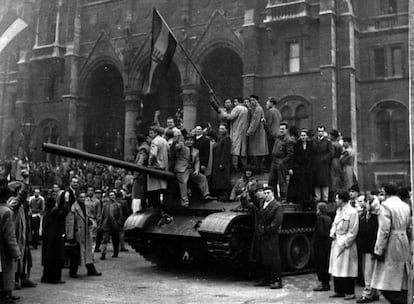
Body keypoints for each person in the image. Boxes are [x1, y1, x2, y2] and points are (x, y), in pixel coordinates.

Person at [371, 183, 411, 304]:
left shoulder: (386, 206)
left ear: (386, 193)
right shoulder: (405, 206)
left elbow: (384, 230)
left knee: (385, 280)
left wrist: (378, 249)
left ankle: (400, 301)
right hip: (403, 240)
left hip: (391, 242)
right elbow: (409, 227)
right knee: (402, 277)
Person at [250, 185, 283, 289]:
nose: (267, 195)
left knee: (273, 258)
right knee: (263, 257)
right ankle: (265, 279)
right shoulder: (262, 203)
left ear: (273, 193)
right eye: (265, 193)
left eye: (269, 193)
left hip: (271, 235)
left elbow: (277, 221)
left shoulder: (277, 206)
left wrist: (266, 229)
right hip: (262, 234)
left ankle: (276, 280)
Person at [329, 190, 359, 300]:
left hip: (346, 244)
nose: (336, 200)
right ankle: (339, 290)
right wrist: (332, 234)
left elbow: (353, 230)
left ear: (342, 199)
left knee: (347, 269)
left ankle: (349, 292)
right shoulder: (339, 211)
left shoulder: (352, 212)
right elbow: (334, 224)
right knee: (337, 268)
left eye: (337, 198)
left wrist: (345, 242)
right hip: (337, 240)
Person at [65, 192, 102, 278]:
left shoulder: (83, 207)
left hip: (85, 233)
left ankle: (90, 269)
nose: (83, 199)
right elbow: (69, 222)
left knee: (86, 253)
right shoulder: (73, 208)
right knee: (76, 253)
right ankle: (73, 272)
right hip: (77, 234)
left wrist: (88, 222)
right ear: (77, 198)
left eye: (84, 197)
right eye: (81, 197)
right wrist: (70, 236)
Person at [0, 162, 21, 304]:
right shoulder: (6, 212)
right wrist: (16, 253)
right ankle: (5, 295)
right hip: (4, 249)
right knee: (6, 271)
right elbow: (10, 236)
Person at [356, 192, 380, 303]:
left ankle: (368, 293)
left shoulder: (372, 217)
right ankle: (374, 292)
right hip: (371, 247)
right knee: (372, 270)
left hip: (370, 247)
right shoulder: (370, 216)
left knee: (369, 271)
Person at [41, 190, 68, 284]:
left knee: (48, 259)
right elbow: (64, 210)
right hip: (56, 238)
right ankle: (55, 278)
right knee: (56, 259)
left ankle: (46, 277)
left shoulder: (47, 212)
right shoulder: (55, 212)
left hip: (48, 238)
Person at [219, 97, 249, 171]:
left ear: (238, 102)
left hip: (236, 131)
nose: (233, 103)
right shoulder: (246, 109)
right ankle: (244, 166)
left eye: (235, 101)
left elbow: (230, 117)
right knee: (242, 150)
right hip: (243, 131)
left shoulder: (237, 108)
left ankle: (235, 167)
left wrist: (223, 113)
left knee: (235, 150)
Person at [268, 122, 294, 202]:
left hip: (281, 161)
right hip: (274, 160)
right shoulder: (278, 137)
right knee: (272, 180)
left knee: (282, 181)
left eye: (283, 129)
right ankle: (274, 197)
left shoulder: (288, 140)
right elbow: (270, 133)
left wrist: (282, 162)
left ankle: (284, 198)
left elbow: (290, 154)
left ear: (287, 130)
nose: (281, 131)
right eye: (280, 129)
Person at [287, 128, 313, 206]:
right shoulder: (296, 145)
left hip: (307, 168)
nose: (303, 137)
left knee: (305, 184)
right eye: (301, 135)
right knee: (295, 184)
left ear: (307, 136)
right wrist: (290, 167)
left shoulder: (310, 145)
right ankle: (293, 199)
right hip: (297, 167)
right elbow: (293, 156)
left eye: (304, 135)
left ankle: (304, 199)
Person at [147, 125, 169, 207]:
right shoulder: (164, 141)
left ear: (156, 133)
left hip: (156, 168)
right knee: (162, 189)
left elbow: (153, 154)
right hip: (164, 168)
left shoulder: (154, 141)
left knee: (154, 191)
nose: (150, 135)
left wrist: (152, 164)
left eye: (151, 133)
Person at [246, 95, 268, 173]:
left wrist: (248, 132)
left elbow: (255, 122)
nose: (252, 102)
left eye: (253, 100)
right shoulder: (257, 109)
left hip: (257, 135)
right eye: (251, 100)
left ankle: (259, 171)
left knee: (257, 154)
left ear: (256, 100)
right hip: (258, 134)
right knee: (258, 155)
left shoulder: (258, 109)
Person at [313, 202, 332, 292]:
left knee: (320, 264)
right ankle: (326, 283)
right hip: (327, 244)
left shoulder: (320, 218)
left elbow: (320, 232)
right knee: (325, 263)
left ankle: (323, 283)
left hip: (320, 245)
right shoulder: (328, 218)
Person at [311, 126, 332, 202]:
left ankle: (325, 199)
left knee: (324, 182)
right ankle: (317, 199)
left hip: (324, 165)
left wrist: (324, 159)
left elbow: (330, 153)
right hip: (315, 165)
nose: (320, 133)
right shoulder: (314, 141)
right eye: (319, 131)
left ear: (324, 132)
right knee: (316, 183)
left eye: (321, 131)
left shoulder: (327, 142)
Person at [210, 124, 232, 200]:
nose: (221, 130)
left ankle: (223, 195)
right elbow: (217, 138)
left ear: (226, 129)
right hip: (217, 160)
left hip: (222, 162)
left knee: (222, 180)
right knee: (217, 179)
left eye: (222, 128)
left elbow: (225, 152)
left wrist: (222, 163)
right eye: (220, 128)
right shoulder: (221, 137)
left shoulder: (227, 138)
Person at [99, 191, 122, 260]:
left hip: (114, 224)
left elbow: (120, 216)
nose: (112, 196)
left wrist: (118, 223)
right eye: (111, 195)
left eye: (113, 195)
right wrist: (100, 224)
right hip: (106, 224)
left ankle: (115, 252)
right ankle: (103, 254)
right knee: (104, 239)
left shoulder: (118, 205)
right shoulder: (105, 205)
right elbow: (102, 215)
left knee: (115, 239)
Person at [132, 134, 149, 212]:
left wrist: (136, 174)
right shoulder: (145, 148)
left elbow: (140, 163)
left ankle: (136, 211)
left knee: (137, 195)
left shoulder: (143, 150)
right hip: (142, 176)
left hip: (140, 176)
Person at [264, 97, 282, 170]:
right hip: (277, 135)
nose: (266, 104)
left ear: (271, 103)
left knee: (270, 152)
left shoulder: (270, 112)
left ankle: (269, 168)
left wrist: (263, 123)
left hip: (271, 135)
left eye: (267, 102)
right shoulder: (278, 112)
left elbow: (268, 124)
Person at [329, 130, 342, 199]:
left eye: (330, 135)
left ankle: (333, 195)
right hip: (338, 161)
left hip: (333, 162)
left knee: (333, 178)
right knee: (337, 177)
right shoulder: (339, 144)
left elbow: (331, 154)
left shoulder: (332, 144)